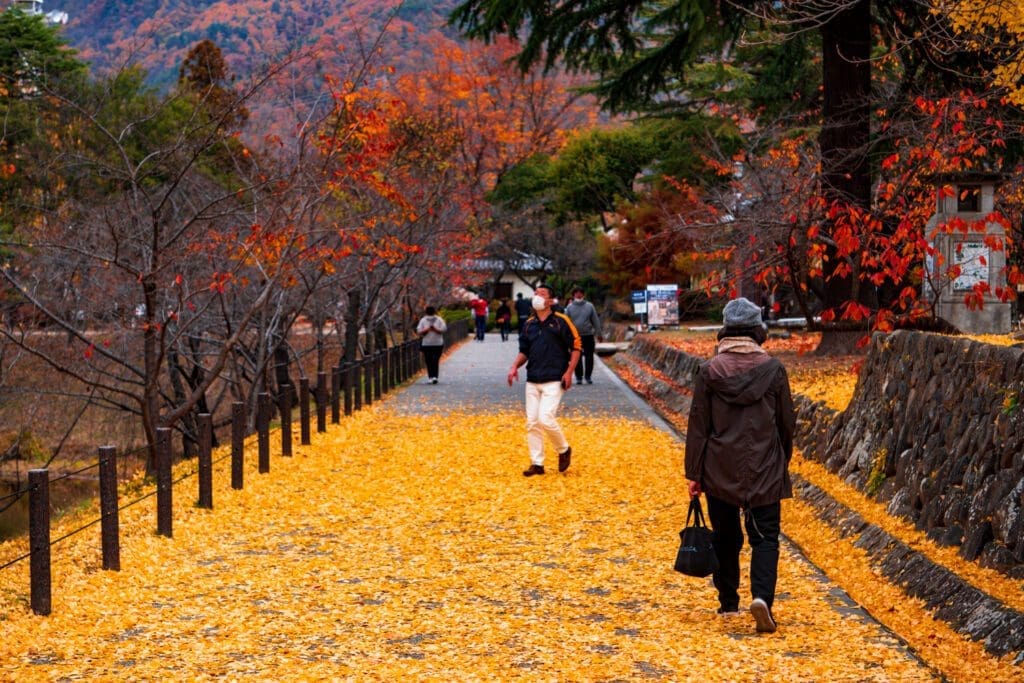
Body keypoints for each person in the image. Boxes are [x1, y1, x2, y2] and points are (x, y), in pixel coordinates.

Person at [684, 296, 794, 634]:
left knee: (727, 535)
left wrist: (694, 473)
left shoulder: (709, 371)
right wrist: (782, 460)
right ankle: (762, 599)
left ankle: (728, 602)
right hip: (764, 465)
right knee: (765, 537)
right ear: (757, 331)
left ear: (726, 330)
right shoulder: (774, 370)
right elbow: (786, 423)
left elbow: (699, 425)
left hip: (719, 467)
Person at [507, 284, 581, 477]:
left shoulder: (561, 321)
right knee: (532, 422)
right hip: (533, 379)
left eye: (542, 294)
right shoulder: (529, 324)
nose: (537, 297)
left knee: (545, 418)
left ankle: (563, 449)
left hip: (555, 378)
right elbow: (524, 350)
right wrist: (515, 366)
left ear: (550, 301)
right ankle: (537, 463)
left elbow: (576, 347)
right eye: (536, 293)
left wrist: (569, 372)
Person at [564, 287, 603, 385]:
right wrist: (565, 336)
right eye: (576, 293)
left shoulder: (590, 306)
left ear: (583, 294)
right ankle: (578, 377)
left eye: (580, 293)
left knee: (589, 357)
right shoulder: (569, 307)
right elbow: (566, 323)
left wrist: (599, 333)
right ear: (573, 295)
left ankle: (588, 376)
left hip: (588, 335)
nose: (578, 295)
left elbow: (595, 320)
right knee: (577, 357)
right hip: (575, 337)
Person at [415, 306, 448, 384]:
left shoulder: (423, 320)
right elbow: (444, 329)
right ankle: (434, 377)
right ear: (435, 311)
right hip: (438, 343)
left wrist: (433, 329)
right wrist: (431, 329)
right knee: (435, 360)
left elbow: (418, 331)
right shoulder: (439, 319)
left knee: (429, 361)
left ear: (426, 312)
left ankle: (431, 377)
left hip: (427, 344)